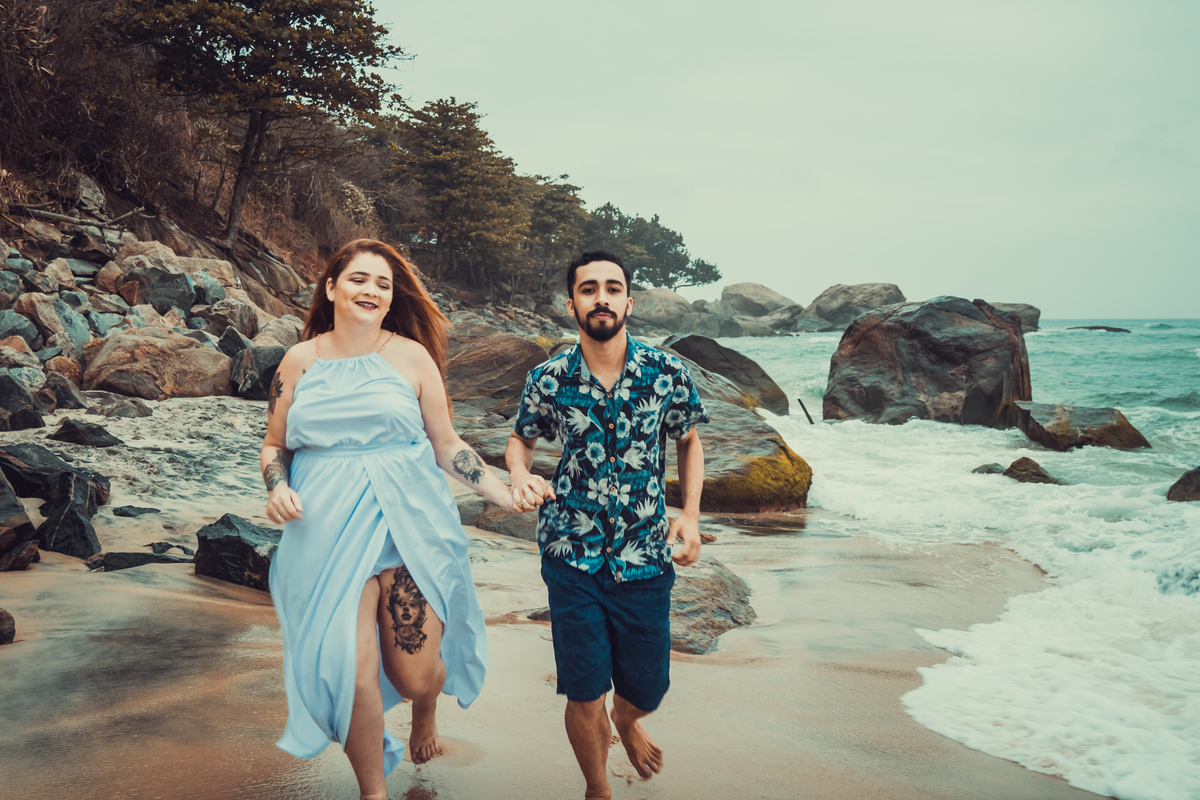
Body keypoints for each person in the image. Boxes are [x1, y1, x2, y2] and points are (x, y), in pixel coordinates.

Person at [261, 239, 512, 800]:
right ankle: (372, 791)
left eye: (383, 284)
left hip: (409, 530)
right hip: (324, 535)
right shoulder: (300, 360)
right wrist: (276, 488)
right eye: (359, 279)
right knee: (350, 673)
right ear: (331, 288)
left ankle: (426, 707)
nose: (371, 290)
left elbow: (445, 444)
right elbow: (275, 445)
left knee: (414, 675)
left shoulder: (411, 357)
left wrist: (502, 493)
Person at [505, 251, 709, 800]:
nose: (602, 298)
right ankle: (597, 789)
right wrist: (521, 475)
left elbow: (688, 439)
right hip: (571, 553)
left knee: (647, 688)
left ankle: (629, 719)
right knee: (583, 689)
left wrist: (688, 515)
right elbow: (522, 438)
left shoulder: (665, 373)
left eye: (612, 288)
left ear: (629, 302)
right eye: (589, 289)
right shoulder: (548, 378)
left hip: (645, 555)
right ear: (571, 303)